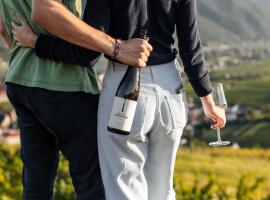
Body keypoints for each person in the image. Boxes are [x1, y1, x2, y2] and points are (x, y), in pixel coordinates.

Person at [12, 0, 226, 199]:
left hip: (124, 87)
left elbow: (87, 54)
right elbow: (191, 48)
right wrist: (208, 102)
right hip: (171, 91)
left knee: (124, 187)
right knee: (163, 189)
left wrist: (36, 42)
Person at [0, 0, 152, 199]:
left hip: (21, 81)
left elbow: (4, 26)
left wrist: (27, 59)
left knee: (36, 184)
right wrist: (117, 47)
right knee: (93, 184)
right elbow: (43, 10)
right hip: (65, 85)